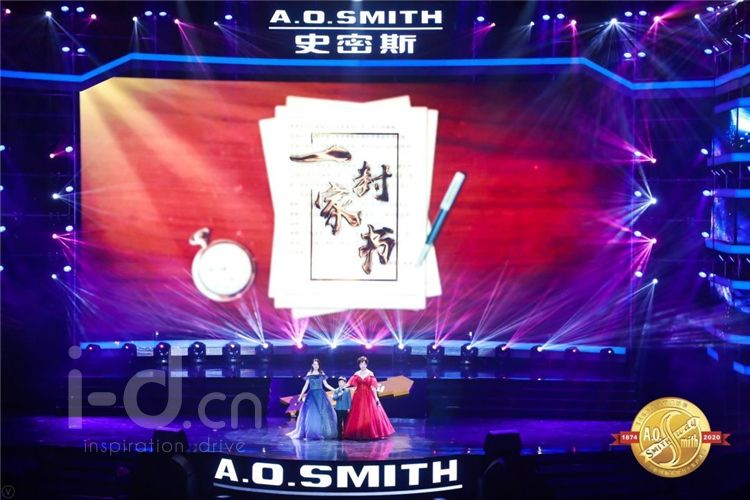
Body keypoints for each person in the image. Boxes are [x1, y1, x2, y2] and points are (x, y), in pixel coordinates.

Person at [343, 356, 395, 440]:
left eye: (364, 364)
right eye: (361, 364)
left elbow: (373, 387)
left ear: (366, 364)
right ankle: (356, 432)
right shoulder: (356, 373)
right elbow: (349, 383)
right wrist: (342, 387)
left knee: (369, 414)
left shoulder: (370, 373)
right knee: (358, 413)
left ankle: (372, 433)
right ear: (359, 364)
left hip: (368, 395)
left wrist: (376, 397)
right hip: (358, 395)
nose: (362, 365)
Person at [287, 358, 337, 440]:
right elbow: (306, 386)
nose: (316, 366)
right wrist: (300, 396)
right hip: (312, 395)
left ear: (319, 365)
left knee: (322, 413)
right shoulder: (309, 373)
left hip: (320, 395)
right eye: (314, 364)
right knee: (311, 413)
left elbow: (326, 384)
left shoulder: (321, 373)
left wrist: (335, 390)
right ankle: (312, 432)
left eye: (317, 364)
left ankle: (322, 432)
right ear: (312, 365)